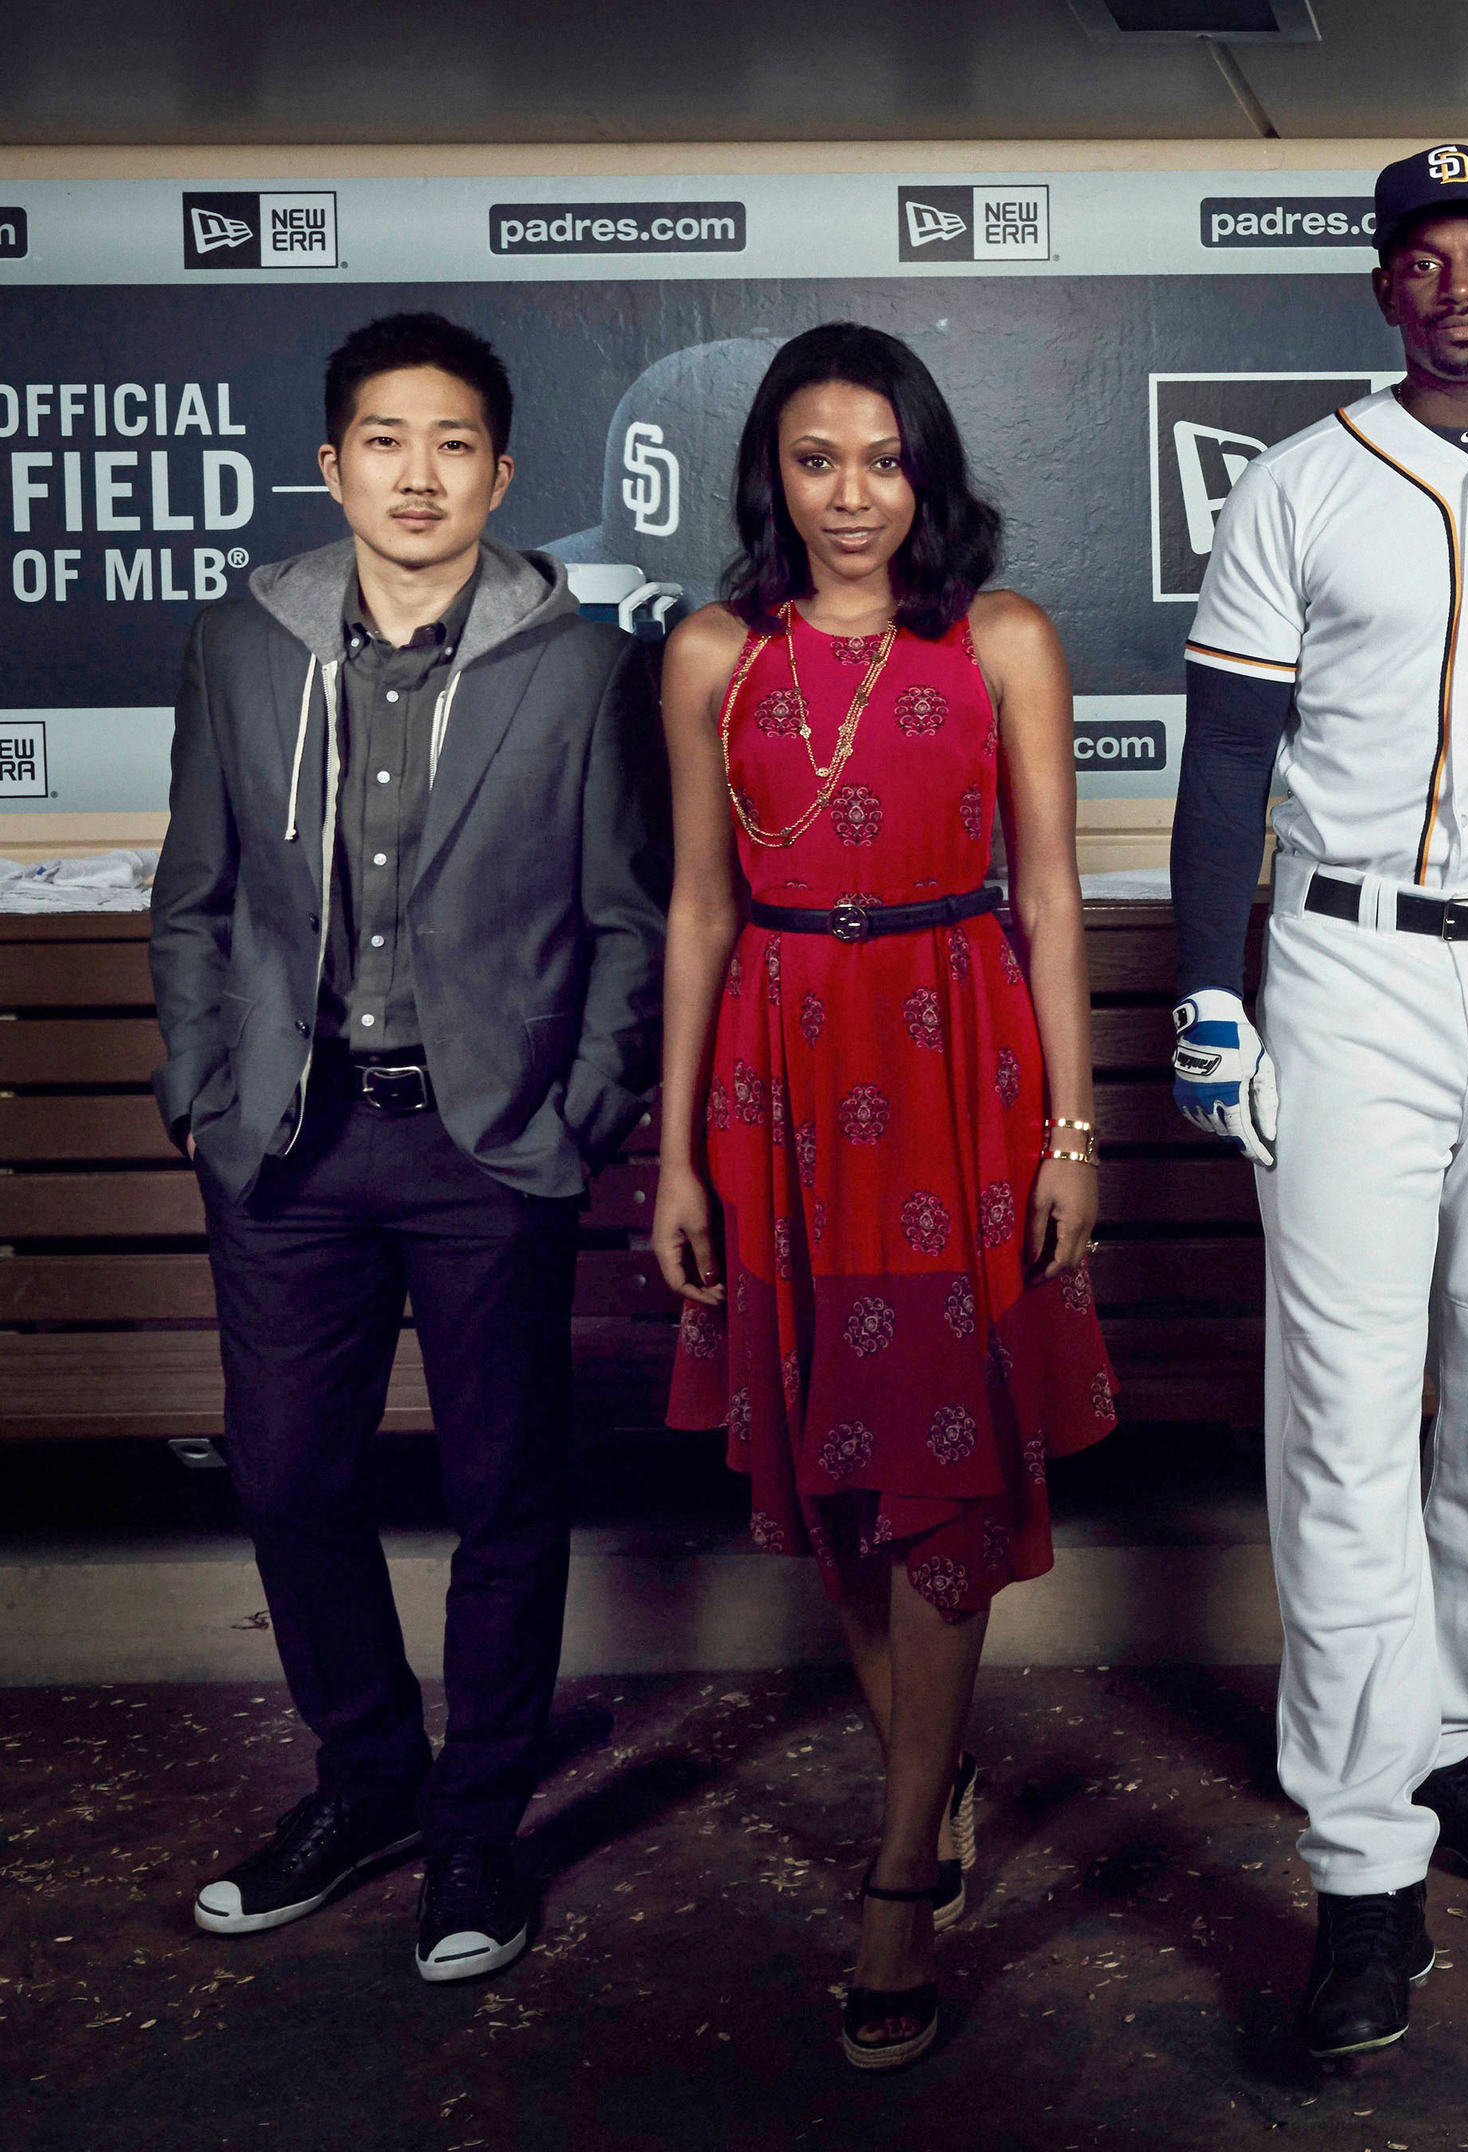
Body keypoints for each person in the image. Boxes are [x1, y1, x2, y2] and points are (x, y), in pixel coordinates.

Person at [1165, 143, 1468, 2063]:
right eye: (1420, 258)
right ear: (1386, 293)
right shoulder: (1299, 482)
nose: (1454, 284)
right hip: (1353, 966)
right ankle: (1363, 1867)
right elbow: (1225, 767)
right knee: (1348, 1415)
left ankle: (1451, 1736)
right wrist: (1217, 986)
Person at [158, 312, 666, 1986]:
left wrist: (578, 1114)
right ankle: (367, 1780)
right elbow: (197, 893)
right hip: (290, 1151)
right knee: (292, 1477)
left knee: (501, 1494)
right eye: (386, 439)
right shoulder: (242, 645)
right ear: (333, 465)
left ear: (501, 473)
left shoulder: (577, 663)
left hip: (484, 1150)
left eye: (453, 443)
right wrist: (205, 1095)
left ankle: (476, 1833)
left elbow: (619, 918)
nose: (418, 473)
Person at [646, 322, 1120, 2071]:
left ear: (931, 468)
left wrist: (1073, 1135)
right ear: (771, 474)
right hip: (777, 1076)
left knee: (939, 1463)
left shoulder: (999, 641)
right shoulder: (711, 651)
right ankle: (941, 1769)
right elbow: (699, 908)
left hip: (952, 1067)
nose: (852, 496)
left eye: (882, 458)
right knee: (831, 1476)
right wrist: (678, 1146)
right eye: (814, 460)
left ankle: (902, 1864)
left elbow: (1054, 900)